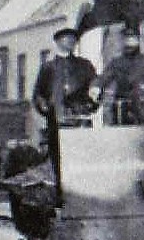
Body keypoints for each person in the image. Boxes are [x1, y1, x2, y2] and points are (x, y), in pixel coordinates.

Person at [32, 28, 97, 180]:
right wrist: (45, 107)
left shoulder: (85, 65)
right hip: (56, 120)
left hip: (79, 119)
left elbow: (95, 88)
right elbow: (38, 94)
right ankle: (61, 194)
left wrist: (91, 104)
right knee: (58, 159)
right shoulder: (48, 68)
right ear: (57, 41)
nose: (70, 41)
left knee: (82, 157)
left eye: (73, 39)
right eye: (65, 38)